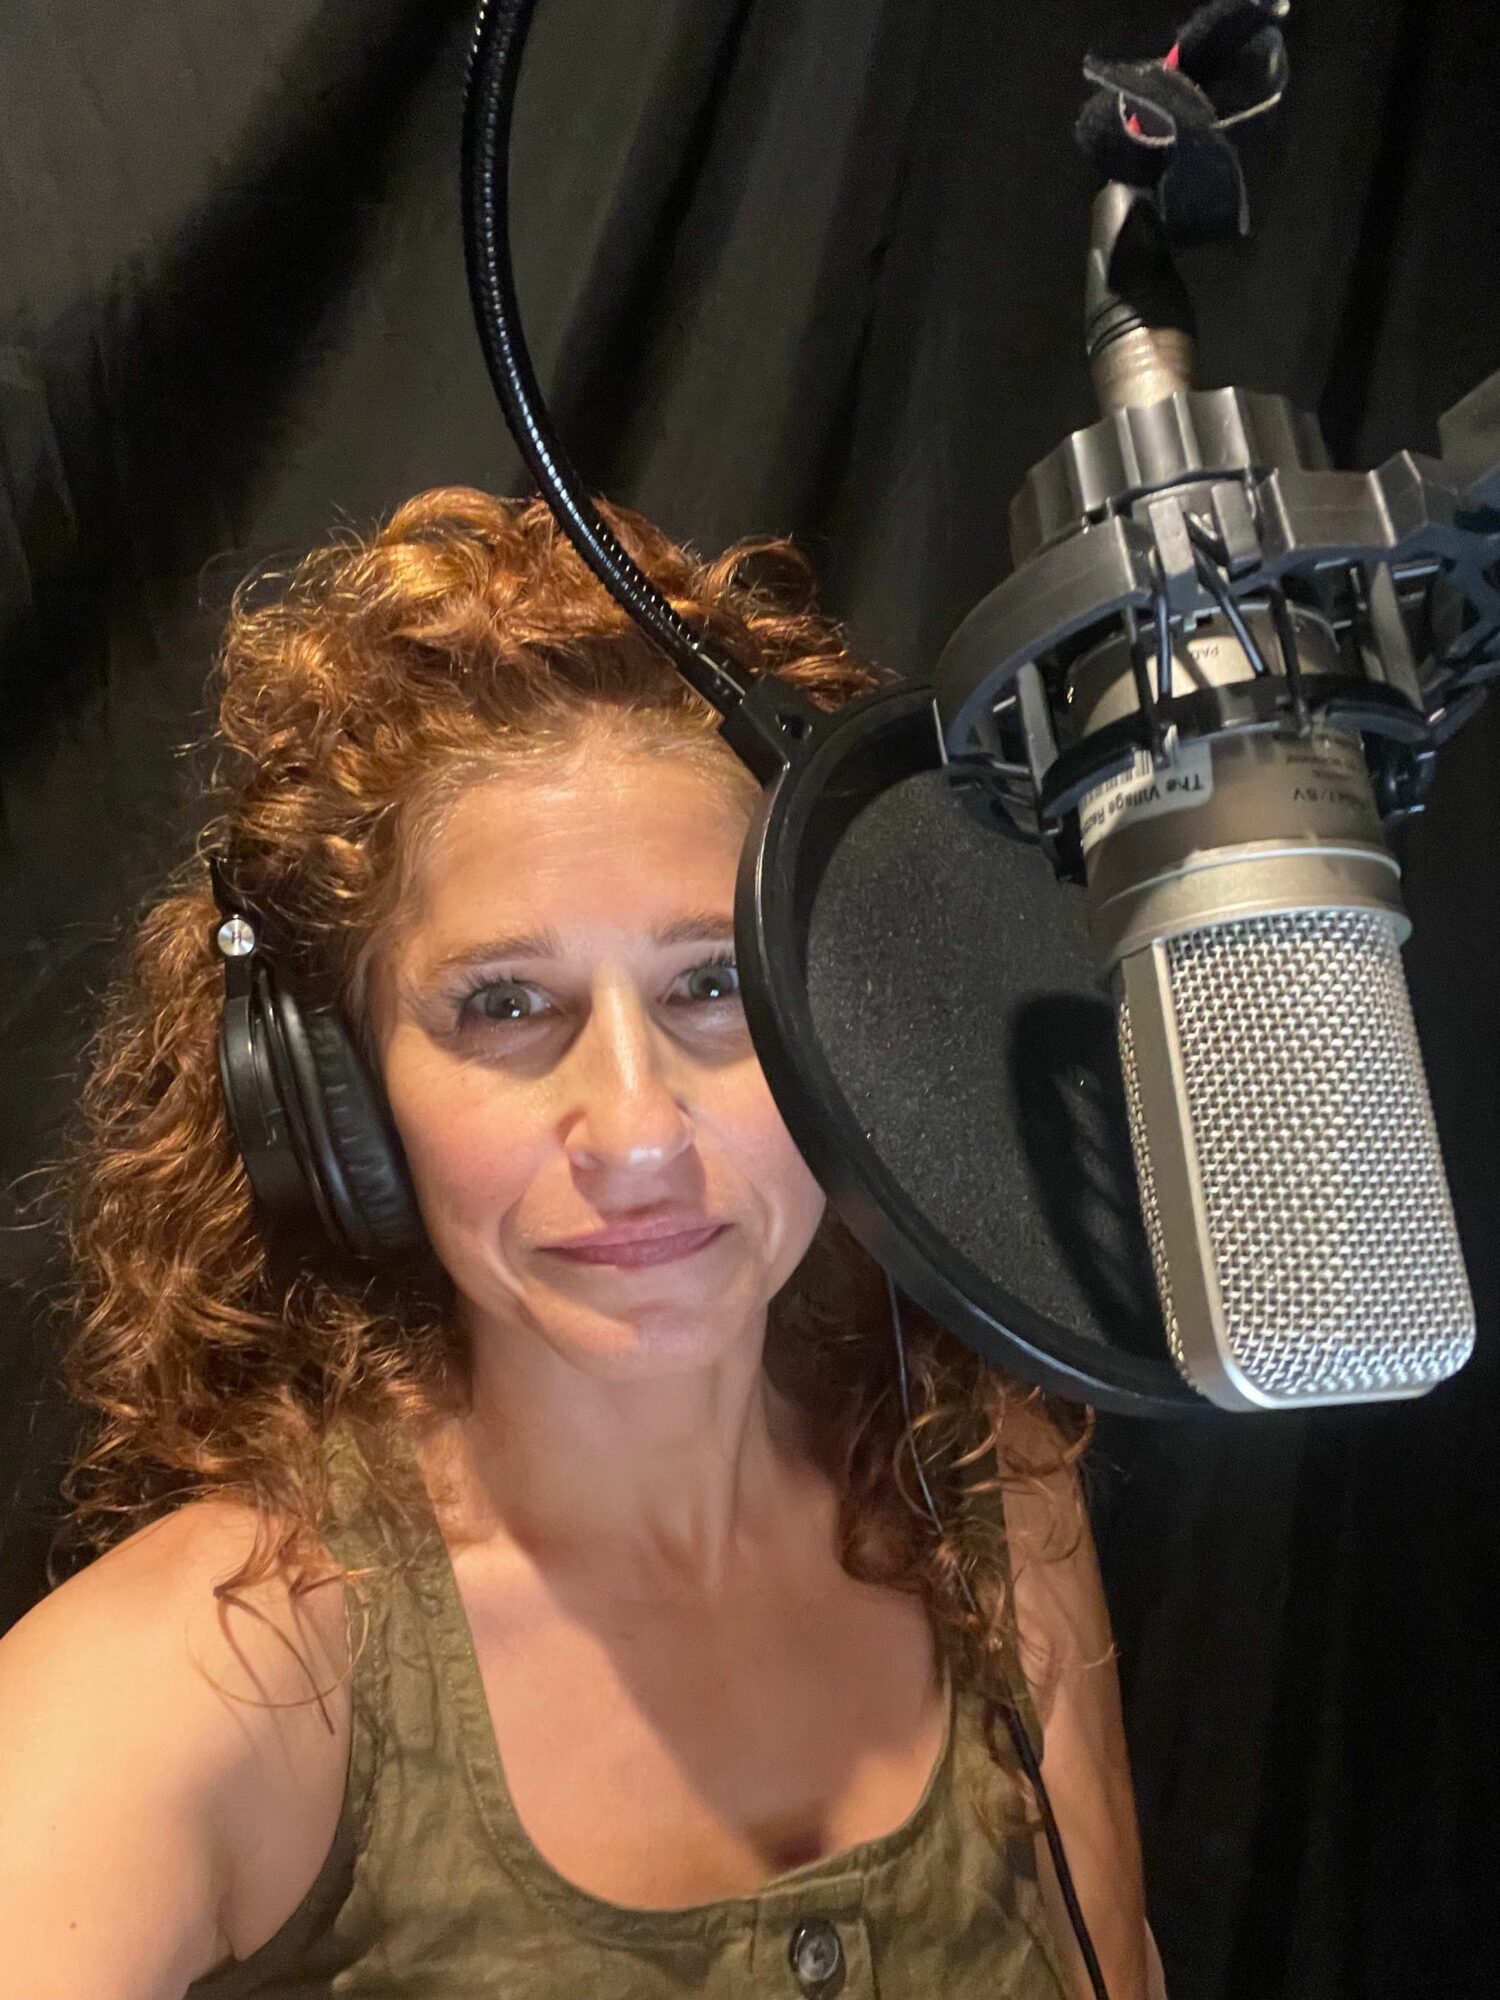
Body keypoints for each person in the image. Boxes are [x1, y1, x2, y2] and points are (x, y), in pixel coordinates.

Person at [0, 489, 1166, 1999]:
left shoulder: (997, 1501)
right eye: (503, 1005)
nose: (635, 1135)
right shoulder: (214, 1678)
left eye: (713, 988)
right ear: (336, 1103)